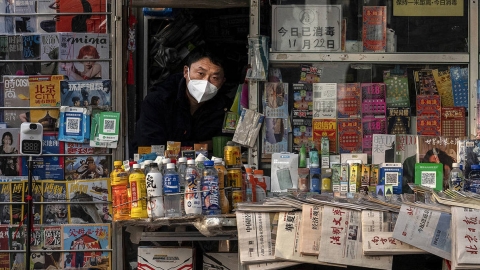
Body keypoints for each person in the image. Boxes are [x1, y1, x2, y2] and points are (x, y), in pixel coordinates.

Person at [132, 48, 232, 154]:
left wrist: (174, 147)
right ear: (186, 72)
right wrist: (204, 145)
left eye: (215, 77)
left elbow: (227, 144)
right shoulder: (159, 100)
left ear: (222, 82)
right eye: (200, 74)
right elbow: (150, 147)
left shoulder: (224, 108)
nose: (206, 82)